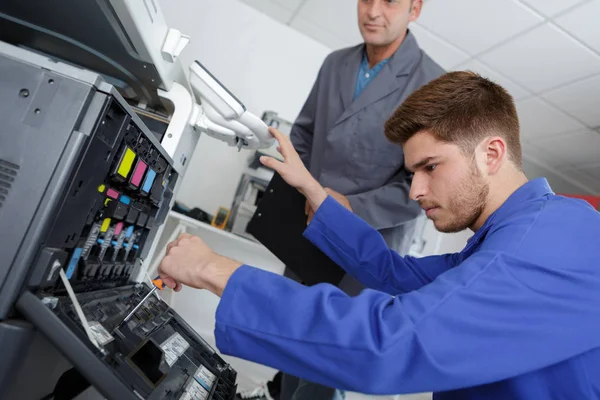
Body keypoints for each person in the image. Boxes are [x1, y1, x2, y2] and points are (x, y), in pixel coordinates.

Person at [158, 71, 600, 399]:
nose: (416, 191)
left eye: (430, 167)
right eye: (412, 173)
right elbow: (393, 273)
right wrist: (314, 191)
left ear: (491, 154)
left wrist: (214, 269)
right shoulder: (511, 234)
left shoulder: (544, 242)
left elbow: (386, 344)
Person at [253, 0, 444, 397]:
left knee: (326, 363)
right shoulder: (335, 64)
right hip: (308, 233)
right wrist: (302, 181)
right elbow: (304, 135)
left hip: (366, 250)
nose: (372, 11)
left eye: (389, 1)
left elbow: (425, 182)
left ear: (415, 9)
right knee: (290, 344)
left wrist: (351, 207)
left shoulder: (433, 84)